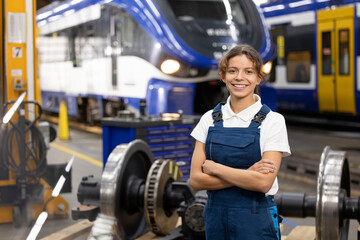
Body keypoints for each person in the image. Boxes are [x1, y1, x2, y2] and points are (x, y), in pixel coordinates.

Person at [189, 44, 291, 240]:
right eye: (232, 71)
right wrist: (247, 175)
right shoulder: (208, 119)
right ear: (223, 75)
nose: (239, 78)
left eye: (249, 72)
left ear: (259, 77)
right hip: (215, 219)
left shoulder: (273, 121)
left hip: (256, 220)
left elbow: (263, 183)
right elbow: (196, 180)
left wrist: (216, 168)